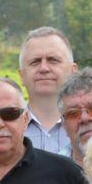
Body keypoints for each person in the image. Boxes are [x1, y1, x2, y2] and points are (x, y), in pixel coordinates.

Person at [17, 27, 76, 155]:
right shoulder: (7, 129)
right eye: (35, 61)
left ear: (73, 71)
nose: (44, 68)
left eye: (53, 60)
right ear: (21, 75)